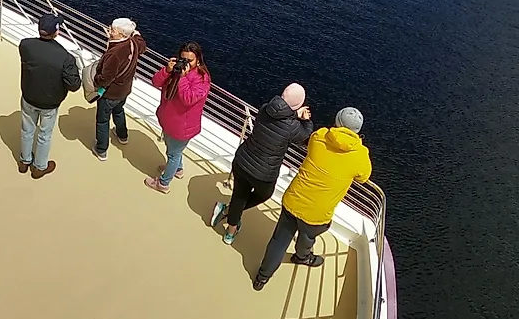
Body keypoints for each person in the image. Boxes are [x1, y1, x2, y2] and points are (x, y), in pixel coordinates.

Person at [252, 107, 372, 291]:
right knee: (308, 236)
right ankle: (302, 257)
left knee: (279, 240)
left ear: (336, 122)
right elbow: (363, 177)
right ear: (357, 131)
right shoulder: (361, 155)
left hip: (295, 199)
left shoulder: (320, 136)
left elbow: (311, 144)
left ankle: (262, 277)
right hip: (318, 213)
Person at [210, 83, 314, 244]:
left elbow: (280, 119)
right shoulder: (293, 126)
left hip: (243, 160)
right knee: (264, 194)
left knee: (239, 195)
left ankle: (231, 231)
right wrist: (305, 120)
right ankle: (229, 213)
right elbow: (305, 137)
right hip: (264, 173)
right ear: (299, 104)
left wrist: (293, 114)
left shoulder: (266, 108)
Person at [17, 13, 80, 179]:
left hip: (29, 96)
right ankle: (39, 167)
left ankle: (24, 161)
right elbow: (74, 86)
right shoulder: (65, 57)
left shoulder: (25, 45)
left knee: (27, 130)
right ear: (56, 32)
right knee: (44, 135)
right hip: (49, 102)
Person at [145, 42, 210, 193]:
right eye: (183, 59)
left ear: (198, 60)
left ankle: (163, 183)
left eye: (190, 60)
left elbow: (189, 99)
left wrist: (182, 78)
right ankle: (178, 169)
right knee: (174, 151)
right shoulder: (174, 70)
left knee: (173, 154)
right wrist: (167, 70)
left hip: (182, 127)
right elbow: (155, 82)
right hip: (169, 120)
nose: (185, 63)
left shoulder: (202, 79)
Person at [90, 18, 146, 160]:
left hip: (110, 93)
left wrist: (95, 80)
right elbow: (142, 45)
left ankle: (101, 149)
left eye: (113, 30)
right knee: (119, 111)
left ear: (121, 34)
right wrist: (136, 34)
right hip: (124, 90)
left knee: (102, 120)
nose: (109, 30)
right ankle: (122, 135)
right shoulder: (133, 43)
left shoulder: (114, 53)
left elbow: (106, 78)